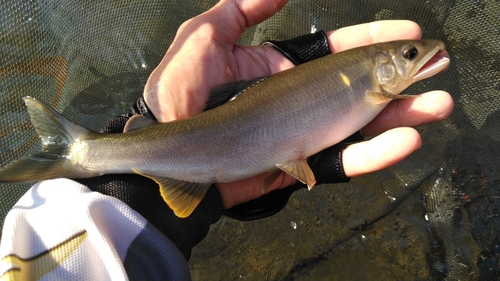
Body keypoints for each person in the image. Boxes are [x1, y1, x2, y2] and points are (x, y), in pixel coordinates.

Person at [0, 0, 453, 280]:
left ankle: (85, 158)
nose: (418, 54)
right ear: (384, 66)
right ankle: (83, 156)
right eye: (408, 55)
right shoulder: (373, 86)